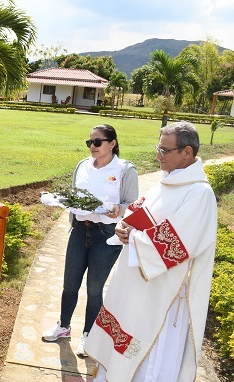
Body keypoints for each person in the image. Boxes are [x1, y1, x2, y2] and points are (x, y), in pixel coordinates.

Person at [86, 122, 218, 381]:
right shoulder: (167, 181)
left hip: (165, 296)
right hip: (139, 286)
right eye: (158, 148)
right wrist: (125, 225)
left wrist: (135, 238)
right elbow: (140, 208)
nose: (158, 155)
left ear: (187, 152)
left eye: (164, 150)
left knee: (150, 360)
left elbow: (176, 244)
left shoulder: (200, 194)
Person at [42, 124, 139, 358]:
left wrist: (119, 209)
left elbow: (132, 205)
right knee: (69, 284)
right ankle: (64, 327)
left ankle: (89, 335)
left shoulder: (125, 170)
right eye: (90, 142)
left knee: (95, 289)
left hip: (105, 235)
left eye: (97, 142)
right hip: (79, 232)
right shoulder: (83, 166)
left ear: (112, 143)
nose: (92, 147)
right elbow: (75, 197)